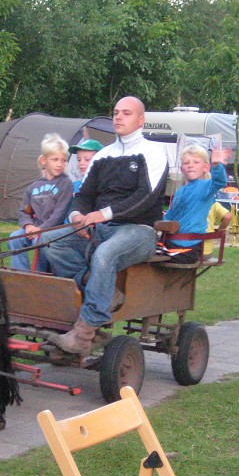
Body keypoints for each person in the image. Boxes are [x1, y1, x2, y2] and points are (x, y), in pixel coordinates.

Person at [44, 96, 168, 354]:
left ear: (141, 120)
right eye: (115, 112)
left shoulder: (154, 152)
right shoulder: (103, 155)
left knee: (105, 255)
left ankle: (83, 334)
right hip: (101, 228)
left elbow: (146, 197)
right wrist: (77, 215)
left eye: (126, 113)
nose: (118, 117)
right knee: (51, 243)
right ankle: (102, 289)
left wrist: (103, 214)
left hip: (139, 230)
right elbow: (83, 195)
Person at [8, 133, 73, 271]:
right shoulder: (34, 187)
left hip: (53, 231)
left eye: (63, 160)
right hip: (33, 229)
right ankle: (21, 274)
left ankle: (39, 275)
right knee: (15, 238)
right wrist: (28, 226)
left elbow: (59, 214)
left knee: (41, 240)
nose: (60, 164)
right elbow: (25, 211)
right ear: (44, 160)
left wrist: (41, 230)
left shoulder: (65, 184)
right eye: (55, 159)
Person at [160, 144, 229, 263]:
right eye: (187, 163)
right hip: (171, 242)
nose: (190, 165)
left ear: (206, 167)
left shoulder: (205, 187)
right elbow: (170, 216)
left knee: (148, 256)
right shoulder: (180, 191)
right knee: (142, 250)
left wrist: (216, 164)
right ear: (182, 169)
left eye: (196, 162)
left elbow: (220, 181)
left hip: (188, 246)